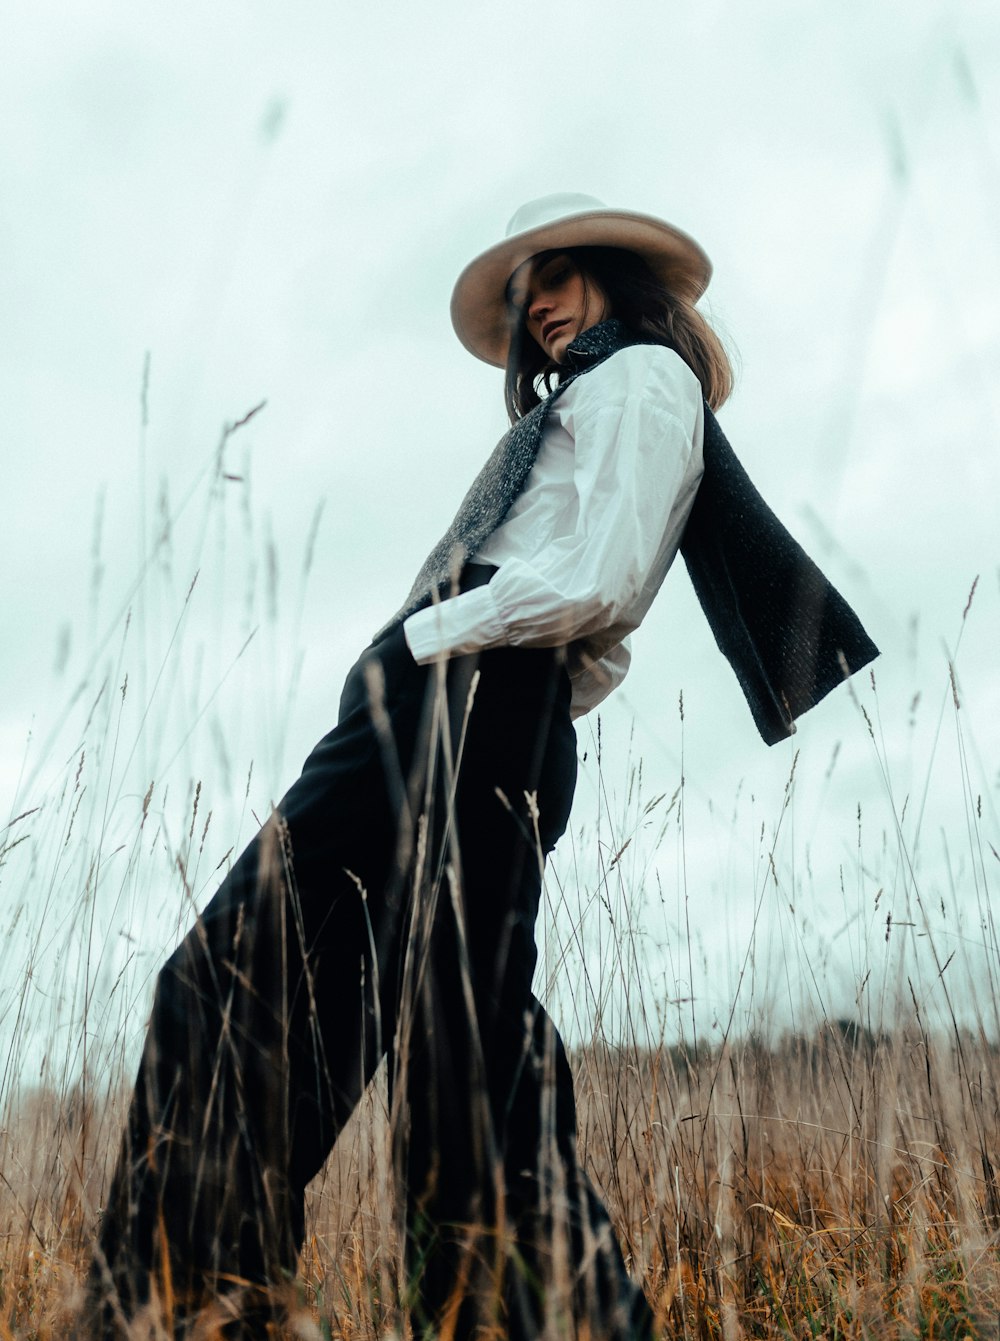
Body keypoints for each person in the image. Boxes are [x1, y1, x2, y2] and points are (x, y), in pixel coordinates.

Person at [79, 193, 877, 1340]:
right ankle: (218, 1303)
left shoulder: (642, 379)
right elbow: (591, 621)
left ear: (611, 271)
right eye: (522, 296)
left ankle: (185, 1305)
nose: (535, 307)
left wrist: (424, 644)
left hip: (455, 692)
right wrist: (496, 678)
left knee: (261, 992)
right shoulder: (603, 394)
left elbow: (598, 581)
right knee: (418, 1027)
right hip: (475, 697)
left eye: (553, 277)